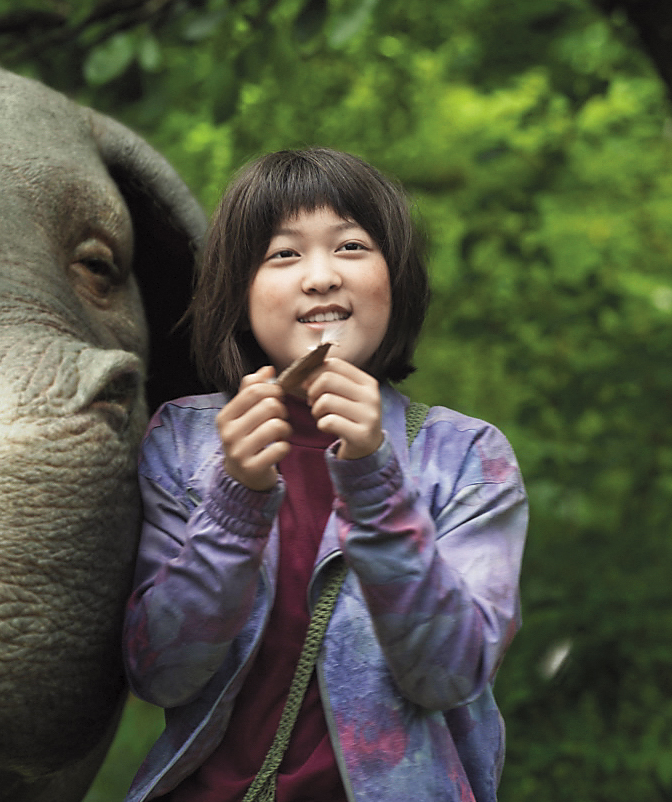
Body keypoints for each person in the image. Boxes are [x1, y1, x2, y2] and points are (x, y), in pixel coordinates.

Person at [122, 148, 527, 802]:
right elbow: (158, 675)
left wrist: (374, 483)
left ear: (395, 280)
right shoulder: (182, 440)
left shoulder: (466, 456)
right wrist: (234, 503)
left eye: (351, 246)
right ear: (239, 290)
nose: (320, 277)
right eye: (283, 254)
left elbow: (449, 675)